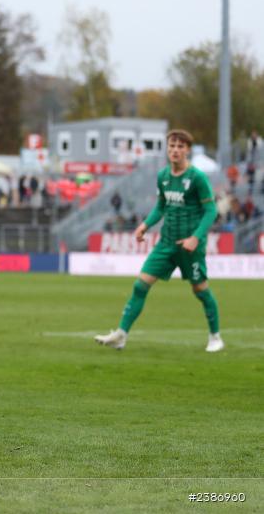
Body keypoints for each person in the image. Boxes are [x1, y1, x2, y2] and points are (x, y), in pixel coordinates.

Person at [95, 130, 223, 353]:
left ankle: (215, 336)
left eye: (180, 146)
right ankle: (121, 335)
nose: (175, 150)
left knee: (200, 290)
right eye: (172, 145)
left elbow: (211, 210)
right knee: (140, 285)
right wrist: (145, 225)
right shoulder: (163, 175)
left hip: (190, 246)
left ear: (187, 150)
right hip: (166, 243)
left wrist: (195, 238)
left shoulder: (197, 178)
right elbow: (161, 206)